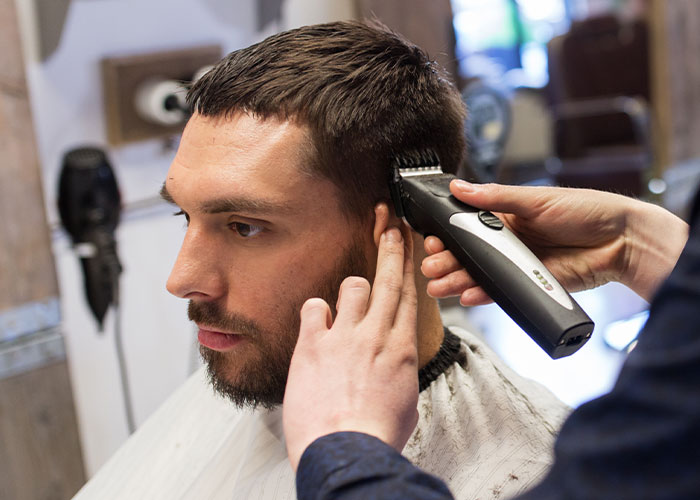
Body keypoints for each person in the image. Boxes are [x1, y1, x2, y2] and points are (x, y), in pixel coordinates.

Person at [72, 21, 569, 500]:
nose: (182, 280)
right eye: (185, 216)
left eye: (245, 226)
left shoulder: (530, 472)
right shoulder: (262, 370)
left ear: (405, 228)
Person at [284, 180, 699, 500]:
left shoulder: (526, 458)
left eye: (246, 228)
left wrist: (343, 451)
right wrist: (637, 243)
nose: (213, 283)